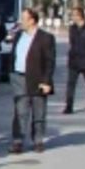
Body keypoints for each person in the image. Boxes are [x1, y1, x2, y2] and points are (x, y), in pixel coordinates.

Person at [9, 8, 55, 153]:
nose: (20, 21)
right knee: (20, 111)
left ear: (32, 20)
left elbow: (49, 61)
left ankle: (38, 140)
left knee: (38, 111)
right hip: (19, 77)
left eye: (23, 18)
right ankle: (18, 140)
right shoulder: (18, 35)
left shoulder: (45, 37)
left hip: (37, 78)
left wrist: (46, 81)